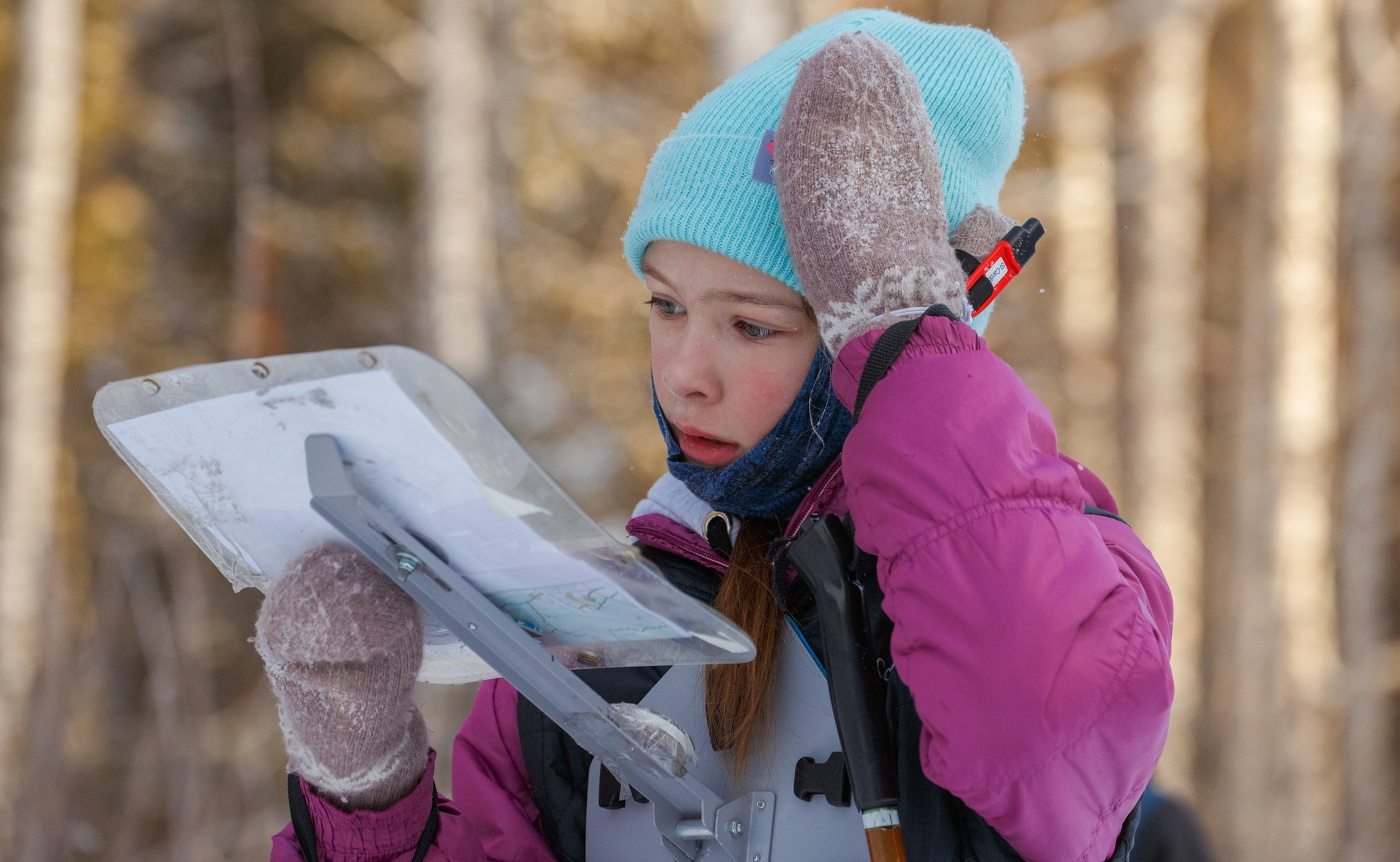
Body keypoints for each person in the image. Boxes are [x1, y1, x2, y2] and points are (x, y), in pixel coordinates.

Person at [255, 9, 1174, 862]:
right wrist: (365, 796)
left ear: (874, 323)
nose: (685, 372)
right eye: (665, 306)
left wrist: (907, 342)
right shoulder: (599, 641)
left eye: (752, 326)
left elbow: (1039, 741)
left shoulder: (1068, 583)